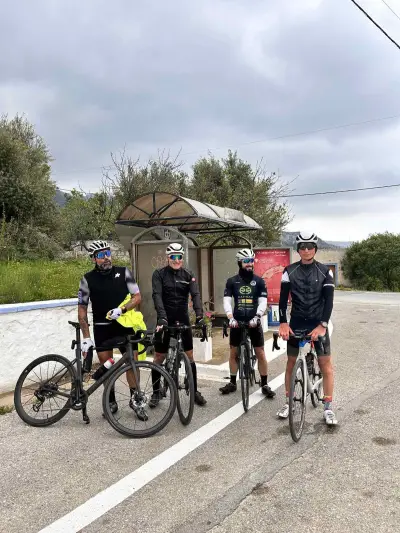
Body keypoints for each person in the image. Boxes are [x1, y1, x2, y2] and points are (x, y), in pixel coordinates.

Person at [77, 240, 147, 420]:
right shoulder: (87, 279)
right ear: (94, 259)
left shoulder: (124, 273)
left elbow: (137, 296)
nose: (106, 257)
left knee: (133, 362)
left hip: (124, 325)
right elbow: (82, 309)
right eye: (101, 255)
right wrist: (86, 337)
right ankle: (111, 401)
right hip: (102, 328)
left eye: (108, 253)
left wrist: (122, 309)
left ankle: (136, 399)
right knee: (106, 366)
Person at [277, 231, 337, 426]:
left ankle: (328, 407)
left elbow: (329, 301)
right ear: (298, 249)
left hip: (318, 322)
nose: (306, 250)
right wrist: (283, 322)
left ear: (315, 249)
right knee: (290, 363)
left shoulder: (325, 272)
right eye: (302, 247)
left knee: (325, 365)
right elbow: (282, 300)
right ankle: (289, 402)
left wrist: (322, 325)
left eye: (310, 247)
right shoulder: (289, 271)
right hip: (297, 322)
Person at [150, 243, 207, 407]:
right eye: (173, 257)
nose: (177, 260)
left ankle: (194, 391)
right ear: (168, 258)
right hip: (165, 318)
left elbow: (195, 295)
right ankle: (156, 392)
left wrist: (200, 316)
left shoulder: (188, 274)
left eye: (179, 257)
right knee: (159, 356)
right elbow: (157, 295)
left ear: (182, 258)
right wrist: (162, 318)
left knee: (190, 356)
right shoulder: (159, 274)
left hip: (182, 318)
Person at [219, 248, 276, 398]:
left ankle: (264, 384)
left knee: (260, 353)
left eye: (251, 260)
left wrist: (257, 316)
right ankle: (232, 382)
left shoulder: (259, 281)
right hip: (237, 321)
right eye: (246, 261)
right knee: (233, 352)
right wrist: (230, 317)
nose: (249, 263)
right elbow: (227, 301)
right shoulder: (232, 281)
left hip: (254, 320)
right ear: (239, 263)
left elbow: (263, 302)